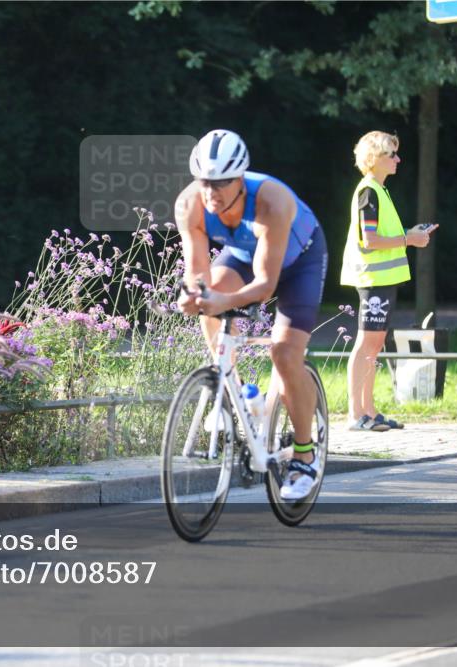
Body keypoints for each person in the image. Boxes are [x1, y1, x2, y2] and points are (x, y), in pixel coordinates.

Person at [175, 129, 328, 501]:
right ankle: (234, 392)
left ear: (241, 179)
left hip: (300, 261)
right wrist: (194, 294)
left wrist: (221, 301)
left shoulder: (272, 201)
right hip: (245, 256)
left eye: (221, 183)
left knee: (285, 354)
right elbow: (198, 273)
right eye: (204, 182)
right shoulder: (189, 204)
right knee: (208, 297)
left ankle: (305, 455)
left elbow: (265, 285)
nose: (211, 192)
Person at [340, 131, 437, 432]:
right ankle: (356, 415)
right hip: (373, 279)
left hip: (381, 280)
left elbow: (381, 236)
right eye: (391, 154)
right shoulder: (369, 192)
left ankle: (369, 411)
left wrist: (409, 234)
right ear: (374, 158)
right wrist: (409, 239)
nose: (398, 159)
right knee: (366, 345)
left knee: (374, 346)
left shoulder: (378, 190)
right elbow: (369, 240)